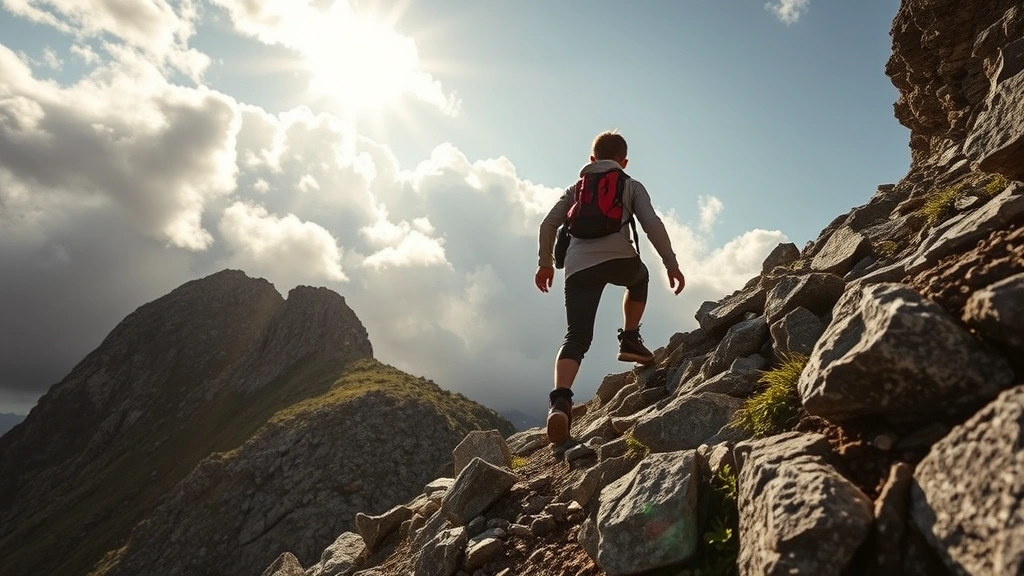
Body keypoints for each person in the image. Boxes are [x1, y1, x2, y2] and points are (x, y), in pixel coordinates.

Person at [535, 130, 685, 445]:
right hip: (620, 259)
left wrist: (545, 263)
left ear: (591, 160)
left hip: (577, 266)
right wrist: (671, 264)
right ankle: (631, 338)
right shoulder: (630, 185)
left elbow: (548, 224)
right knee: (639, 277)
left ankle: (560, 402)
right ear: (624, 161)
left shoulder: (576, 189)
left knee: (576, 336)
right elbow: (651, 224)